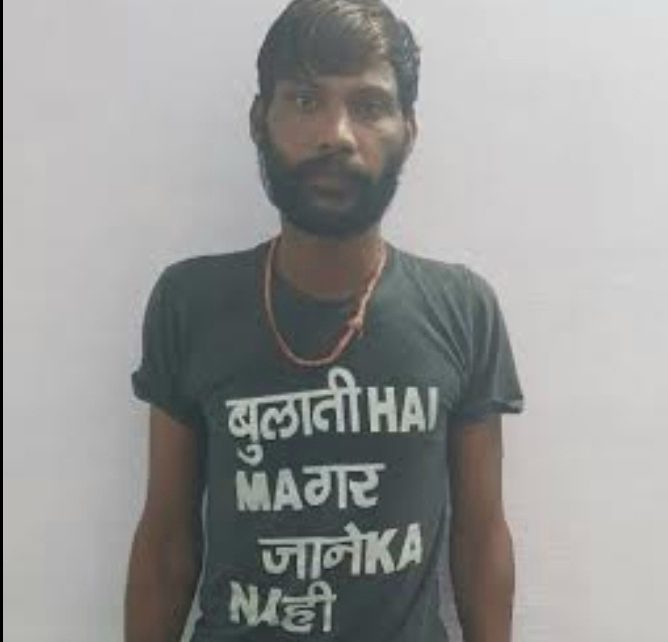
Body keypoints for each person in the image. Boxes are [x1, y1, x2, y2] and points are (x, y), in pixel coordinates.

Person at [124, 1, 525, 640]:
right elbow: (167, 544)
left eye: (368, 105)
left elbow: (479, 542)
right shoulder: (189, 303)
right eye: (306, 101)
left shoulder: (461, 309)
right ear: (260, 119)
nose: (335, 134)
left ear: (408, 130)